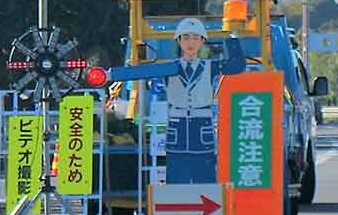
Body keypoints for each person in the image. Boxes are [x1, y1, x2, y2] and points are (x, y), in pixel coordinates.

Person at [103, 14, 246, 183]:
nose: (190, 42)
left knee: (206, 177)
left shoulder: (211, 67)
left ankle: (207, 207)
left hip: (202, 129)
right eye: (186, 38)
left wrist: (233, 36)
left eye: (195, 38)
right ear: (179, 41)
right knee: (177, 178)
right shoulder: (171, 68)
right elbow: (140, 72)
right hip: (177, 129)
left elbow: (237, 65)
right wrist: (109, 74)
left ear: (202, 42)